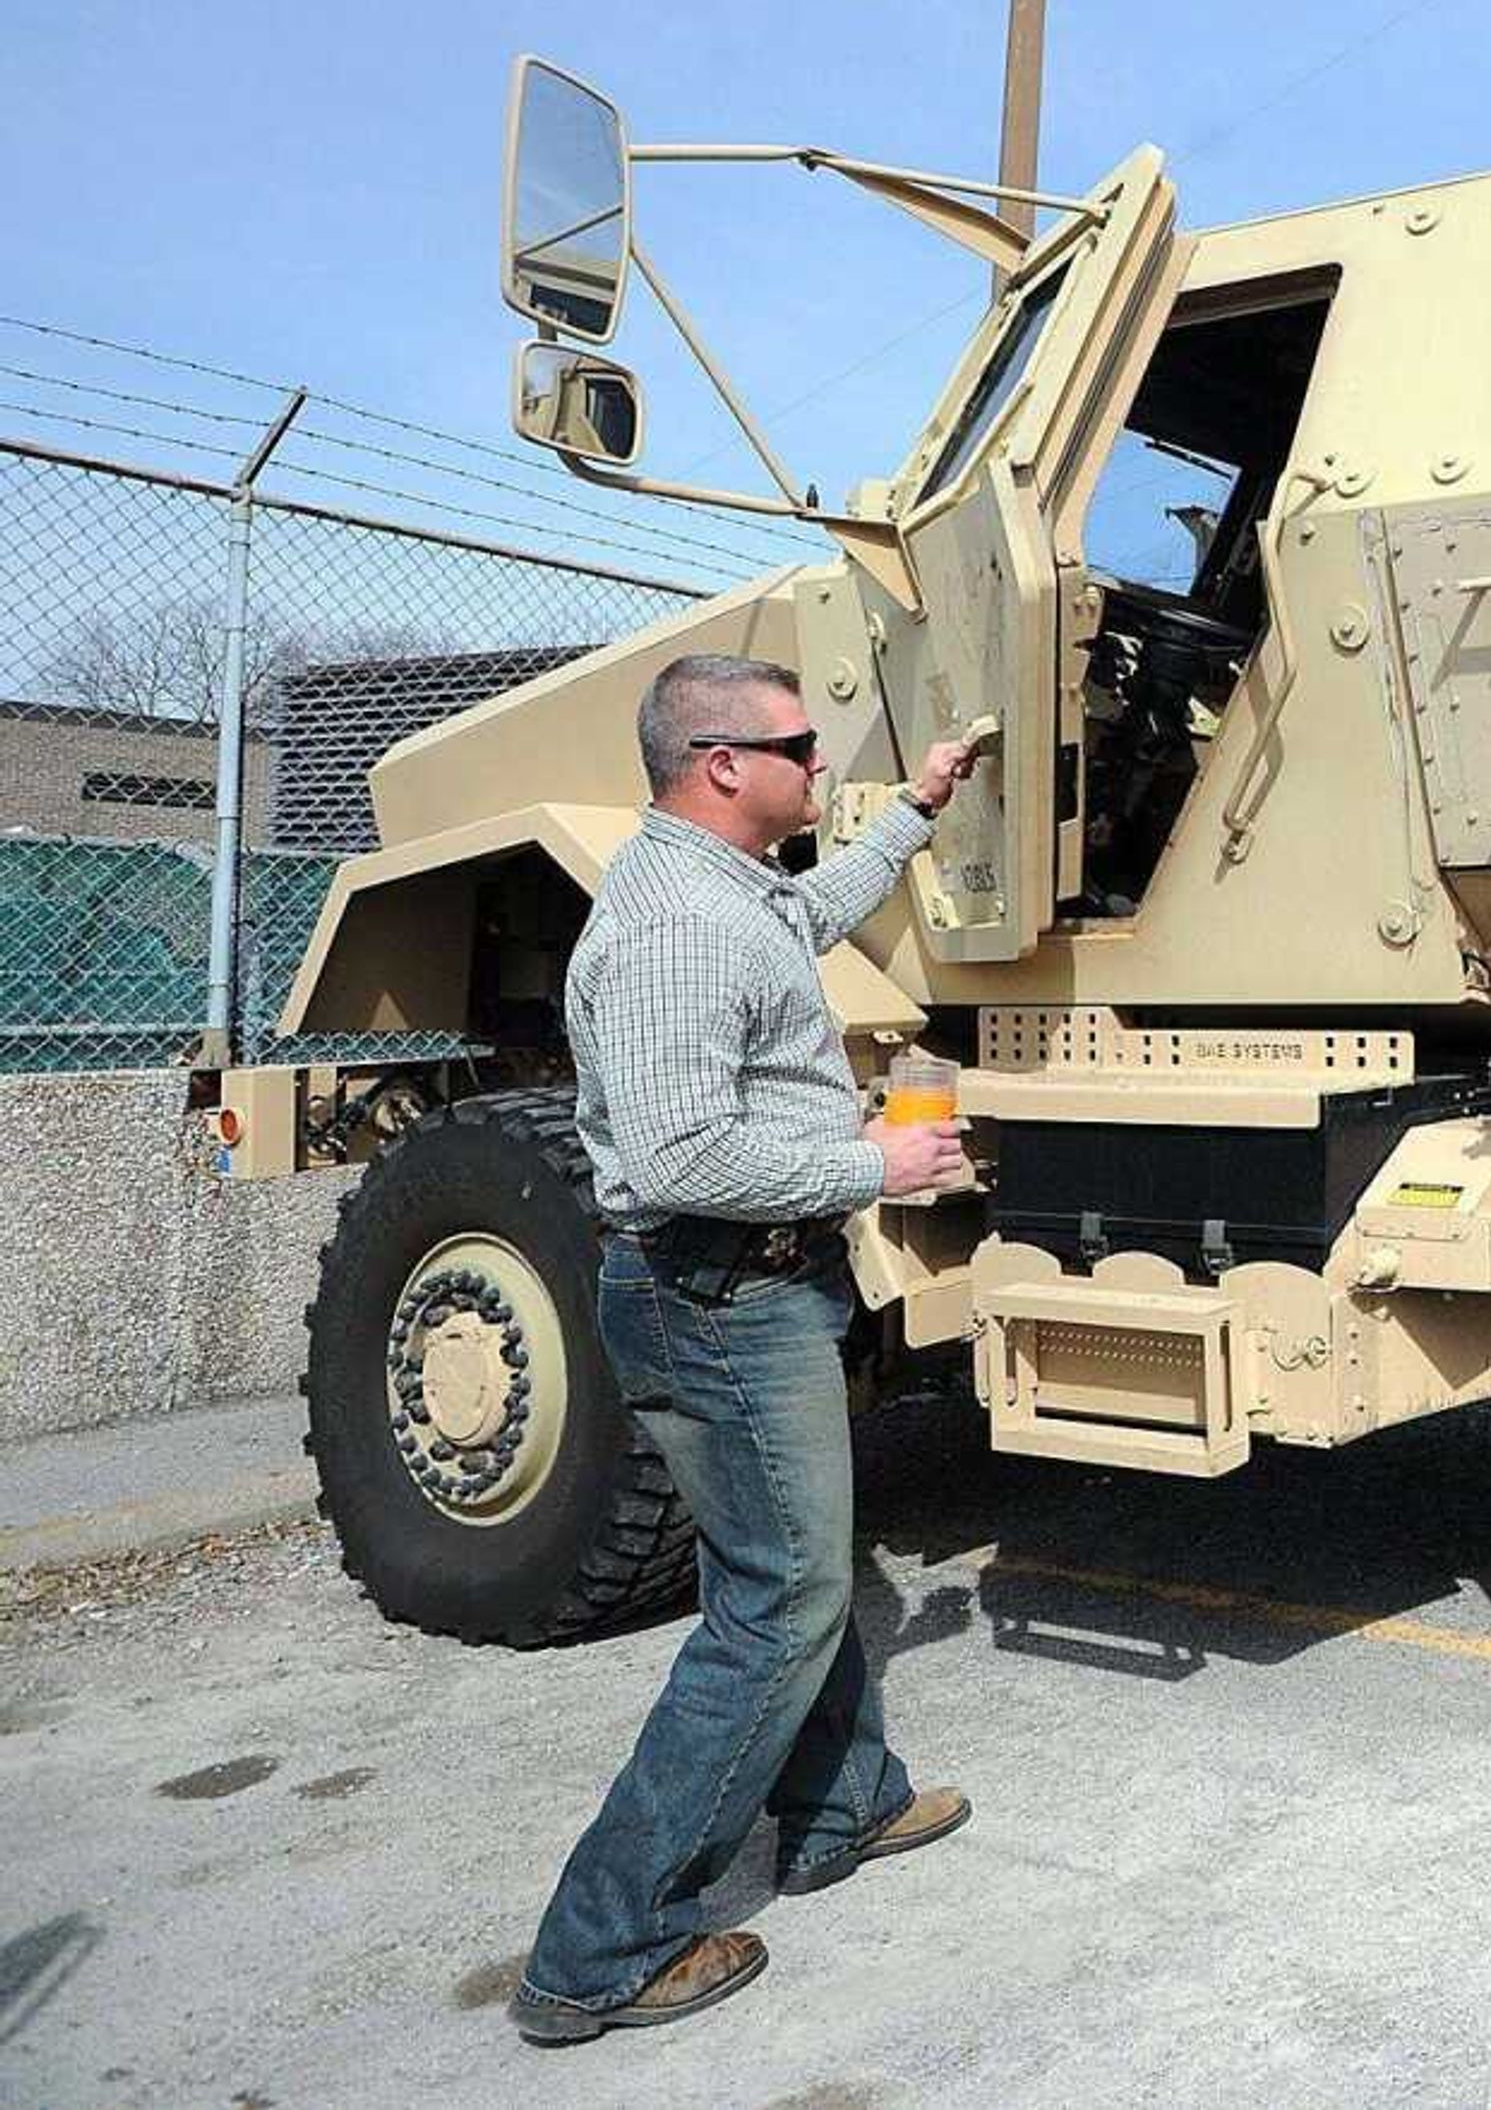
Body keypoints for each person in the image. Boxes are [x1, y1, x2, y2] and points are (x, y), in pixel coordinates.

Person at [509, 651, 985, 2043]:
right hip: (716, 1293)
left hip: (739, 1287)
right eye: (799, 746)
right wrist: (871, 1172)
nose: (816, 765)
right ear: (722, 764)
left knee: (785, 1563)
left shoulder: (727, 891)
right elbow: (679, 1150)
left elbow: (810, 912)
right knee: (773, 1604)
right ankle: (602, 1945)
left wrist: (919, 809)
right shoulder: (674, 928)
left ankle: (844, 1806)